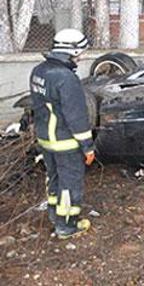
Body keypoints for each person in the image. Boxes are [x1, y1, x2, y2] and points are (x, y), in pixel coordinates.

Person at [30, 29, 96, 239]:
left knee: (54, 177)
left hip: (45, 138)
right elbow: (76, 117)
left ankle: (54, 215)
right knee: (70, 183)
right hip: (65, 142)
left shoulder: (39, 71)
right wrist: (88, 146)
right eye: (81, 52)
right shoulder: (66, 78)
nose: (82, 56)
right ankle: (67, 226)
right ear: (72, 51)